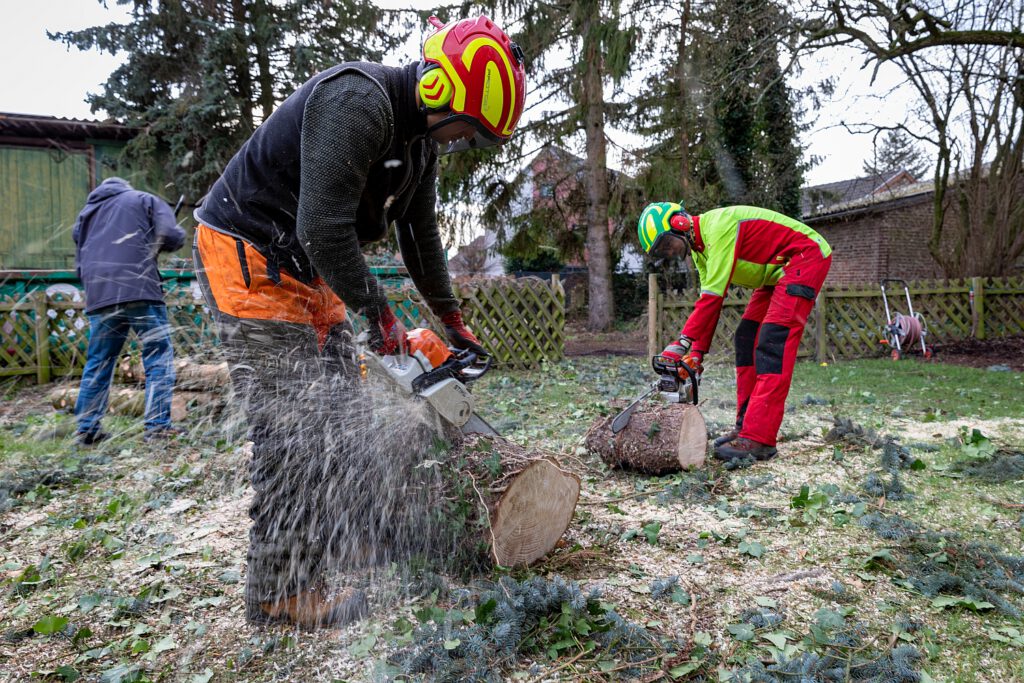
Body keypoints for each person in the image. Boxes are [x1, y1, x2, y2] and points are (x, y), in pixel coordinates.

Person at [192, 15, 526, 628]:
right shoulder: (358, 102)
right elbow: (321, 227)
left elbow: (420, 237)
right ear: (441, 91)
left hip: (310, 268)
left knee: (342, 408)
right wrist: (380, 315)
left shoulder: (418, 142)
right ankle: (279, 591)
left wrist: (452, 319)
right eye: (467, 131)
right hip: (249, 257)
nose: (460, 142)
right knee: (294, 429)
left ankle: (353, 539)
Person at [637, 202, 832, 463]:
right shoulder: (700, 253)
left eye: (666, 244)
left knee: (772, 342)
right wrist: (696, 353)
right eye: (662, 251)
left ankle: (760, 439)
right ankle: (746, 426)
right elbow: (710, 303)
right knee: (745, 337)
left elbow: (712, 299)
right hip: (775, 272)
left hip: (804, 256)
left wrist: (682, 342)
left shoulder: (718, 228)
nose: (669, 252)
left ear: (679, 223)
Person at [72, 177, 186, 445]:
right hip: (139, 289)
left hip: (99, 294)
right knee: (158, 356)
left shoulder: (86, 214)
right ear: (126, 185)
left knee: (99, 361)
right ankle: (157, 427)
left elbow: (79, 254)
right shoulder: (143, 199)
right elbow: (170, 235)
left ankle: (87, 429)